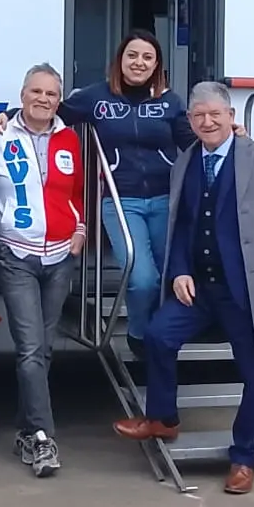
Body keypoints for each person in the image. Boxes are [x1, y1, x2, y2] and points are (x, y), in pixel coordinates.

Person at [114, 82, 254, 494]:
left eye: (215, 115)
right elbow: (184, 223)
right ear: (189, 120)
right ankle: (164, 420)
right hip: (199, 288)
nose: (207, 122)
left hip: (248, 292)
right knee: (157, 336)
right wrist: (180, 271)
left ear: (231, 117)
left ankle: (243, 459)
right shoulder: (186, 161)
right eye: (198, 115)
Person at [0, 64, 85, 480]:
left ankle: (26, 430)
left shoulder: (69, 138)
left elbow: (78, 190)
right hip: (16, 256)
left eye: (51, 94)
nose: (43, 99)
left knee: (42, 349)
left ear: (59, 99)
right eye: (35, 92)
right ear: (22, 95)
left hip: (61, 257)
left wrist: (80, 229)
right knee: (28, 347)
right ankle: (43, 438)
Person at [57, 31, 192, 350]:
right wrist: (6, 120)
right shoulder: (96, 97)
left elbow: (193, 142)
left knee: (168, 275)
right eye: (132, 55)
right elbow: (50, 114)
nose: (139, 62)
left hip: (165, 200)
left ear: (157, 64)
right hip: (121, 202)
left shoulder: (169, 101)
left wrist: (232, 136)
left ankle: (164, 337)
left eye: (147, 57)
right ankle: (139, 336)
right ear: (120, 59)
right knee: (142, 277)